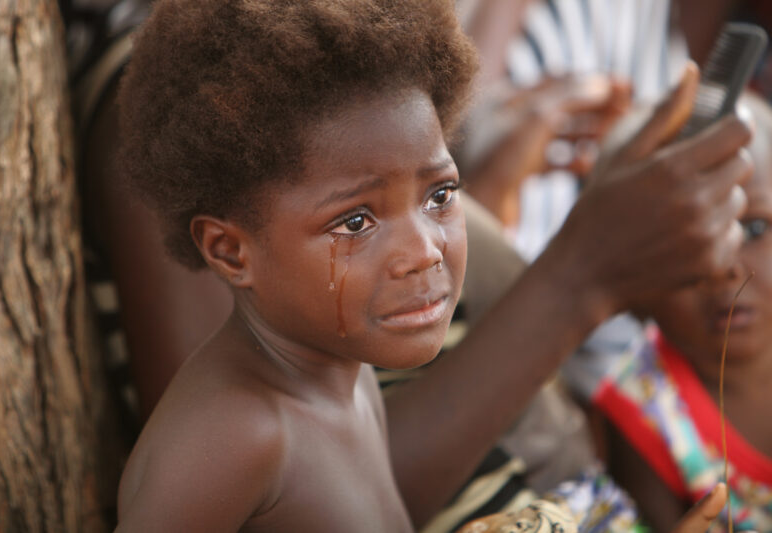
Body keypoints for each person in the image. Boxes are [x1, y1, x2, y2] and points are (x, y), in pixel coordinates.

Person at [105, 0, 752, 530]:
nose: (424, 250)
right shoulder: (235, 437)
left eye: (440, 195)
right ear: (229, 251)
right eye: (355, 222)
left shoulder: (346, 371)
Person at [582, 93, 772, 532]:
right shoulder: (640, 413)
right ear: (630, 286)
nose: (723, 267)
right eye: (685, 248)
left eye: (755, 228)